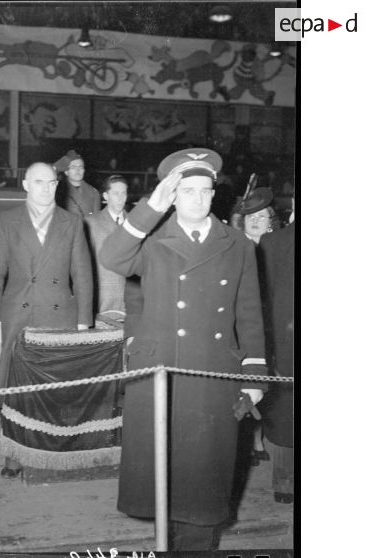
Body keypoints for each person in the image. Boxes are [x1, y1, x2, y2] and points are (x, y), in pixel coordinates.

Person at [99, 148, 267, 551]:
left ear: (214, 194)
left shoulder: (238, 244)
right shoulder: (152, 240)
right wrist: (149, 208)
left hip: (213, 374)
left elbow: (249, 315)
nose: (197, 198)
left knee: (204, 487)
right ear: (172, 196)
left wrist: (256, 377)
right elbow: (112, 256)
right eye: (186, 190)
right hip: (162, 373)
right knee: (162, 478)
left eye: (204, 190)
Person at [0, 162, 93, 479]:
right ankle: (15, 455)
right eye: (39, 182)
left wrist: (84, 322)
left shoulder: (72, 222)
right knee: (16, 389)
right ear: (26, 185)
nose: (47, 188)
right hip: (16, 316)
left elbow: (83, 275)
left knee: (54, 389)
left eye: (52, 182)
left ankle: (49, 453)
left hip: (59, 317)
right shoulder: (6, 221)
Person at [231, 186, 280, 465]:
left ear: (271, 221)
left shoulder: (278, 248)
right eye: (251, 216)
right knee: (245, 384)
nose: (256, 220)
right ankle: (246, 443)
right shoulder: (236, 246)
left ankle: (259, 439)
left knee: (266, 386)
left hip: (271, 328)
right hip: (244, 328)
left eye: (262, 216)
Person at [259, 218, 295, 504]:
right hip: (287, 345)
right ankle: (284, 483)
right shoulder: (273, 242)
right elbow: (264, 300)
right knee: (287, 413)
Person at [86, 175, 128, 318]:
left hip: (130, 302)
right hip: (102, 301)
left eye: (124, 193)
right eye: (116, 193)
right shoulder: (91, 223)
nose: (120, 198)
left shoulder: (137, 223)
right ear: (105, 196)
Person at [54, 149, 101, 217]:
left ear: (84, 170)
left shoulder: (94, 193)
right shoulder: (58, 191)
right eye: (73, 167)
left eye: (80, 167)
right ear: (66, 172)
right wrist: (56, 166)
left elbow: (96, 220)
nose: (78, 170)